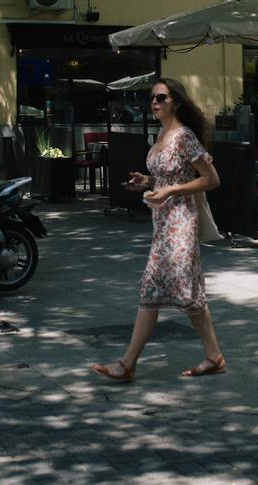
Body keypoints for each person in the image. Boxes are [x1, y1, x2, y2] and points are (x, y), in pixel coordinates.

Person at [91, 77, 226, 381]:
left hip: (180, 223)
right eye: (152, 98)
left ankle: (128, 364)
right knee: (171, 292)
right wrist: (147, 182)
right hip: (162, 223)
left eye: (161, 98)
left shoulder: (183, 136)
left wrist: (171, 190)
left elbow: (211, 179)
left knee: (166, 289)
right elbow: (166, 177)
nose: (154, 102)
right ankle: (212, 356)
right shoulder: (162, 134)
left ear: (175, 102)